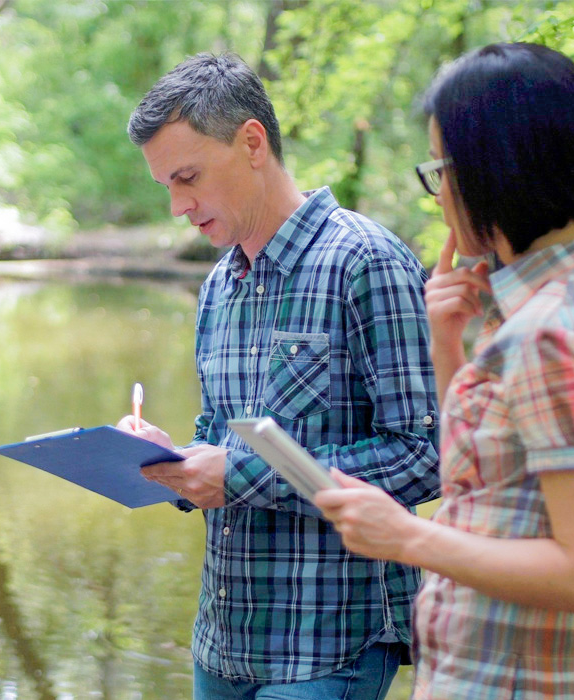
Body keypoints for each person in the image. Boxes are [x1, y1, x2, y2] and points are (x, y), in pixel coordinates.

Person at [315, 43, 574, 698]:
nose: (439, 193)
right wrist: (448, 345)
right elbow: (500, 489)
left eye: (441, 169)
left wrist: (407, 536)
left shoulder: (554, 333)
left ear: (494, 168)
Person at [119, 52, 441, 698]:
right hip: (222, 642)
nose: (179, 206)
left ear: (252, 143)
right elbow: (218, 441)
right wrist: (173, 462)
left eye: (188, 178)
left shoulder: (366, 261)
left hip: (328, 646)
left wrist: (235, 474)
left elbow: (423, 458)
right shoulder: (217, 286)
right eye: (167, 188)